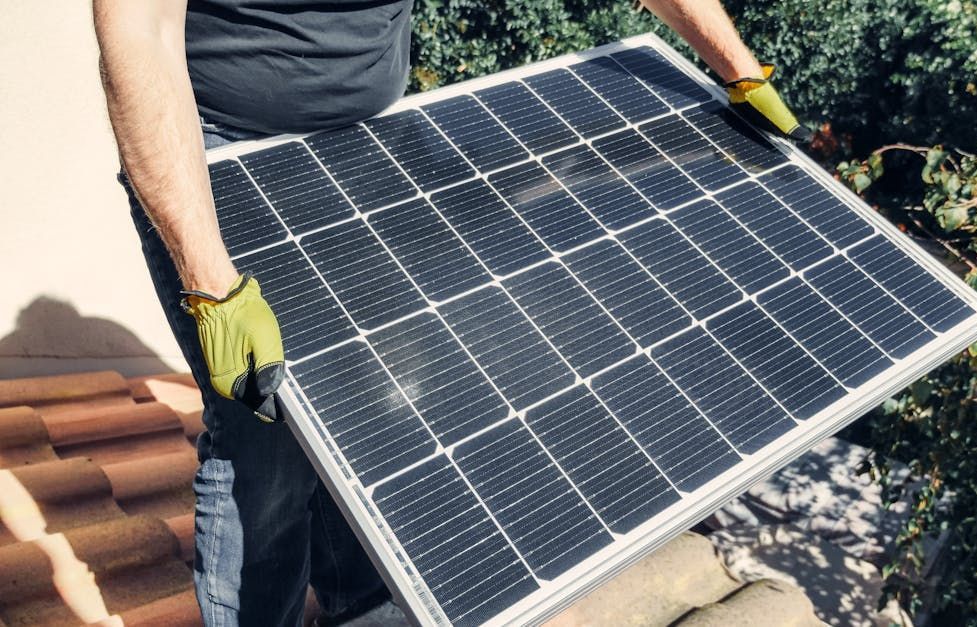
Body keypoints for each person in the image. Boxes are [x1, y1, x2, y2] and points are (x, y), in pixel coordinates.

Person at [93, 1, 806, 624]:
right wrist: (211, 281)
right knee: (263, 433)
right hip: (220, 151)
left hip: (369, 145)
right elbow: (137, 29)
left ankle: (358, 602)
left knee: (360, 398)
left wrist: (738, 66)